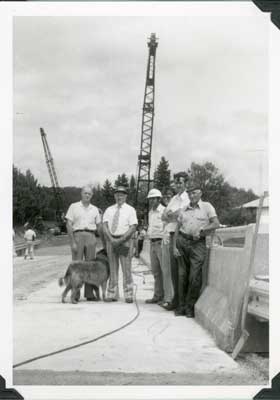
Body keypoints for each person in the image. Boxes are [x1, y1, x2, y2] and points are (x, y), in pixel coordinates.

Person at [173, 184, 220, 318]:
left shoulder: (207, 206)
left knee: (194, 276)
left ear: (200, 193)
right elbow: (177, 228)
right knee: (182, 276)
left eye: (194, 193)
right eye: (190, 193)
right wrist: (174, 247)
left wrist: (202, 231)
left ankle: (190, 307)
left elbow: (216, 223)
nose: (192, 195)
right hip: (182, 241)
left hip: (198, 244)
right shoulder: (184, 209)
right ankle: (181, 307)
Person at [65, 185, 103, 301]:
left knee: (91, 266)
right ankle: (75, 294)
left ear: (92, 195)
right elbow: (69, 224)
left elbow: (99, 226)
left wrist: (102, 241)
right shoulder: (74, 206)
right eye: (85, 193)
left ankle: (89, 293)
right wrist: (72, 242)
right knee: (77, 267)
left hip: (91, 236)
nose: (87, 195)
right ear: (81, 193)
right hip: (78, 235)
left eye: (89, 194)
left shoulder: (95, 209)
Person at [102, 186, 138, 303]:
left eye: (122, 194)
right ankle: (112, 293)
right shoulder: (109, 210)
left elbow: (133, 227)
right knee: (112, 268)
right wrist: (111, 238)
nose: (119, 196)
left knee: (126, 268)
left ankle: (128, 294)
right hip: (111, 241)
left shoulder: (130, 210)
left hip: (124, 241)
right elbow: (104, 226)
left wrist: (121, 239)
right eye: (117, 194)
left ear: (126, 196)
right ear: (114, 196)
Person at [161, 173, 190, 310]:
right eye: (176, 182)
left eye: (180, 182)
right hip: (170, 235)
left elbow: (181, 215)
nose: (178, 185)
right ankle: (175, 300)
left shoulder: (187, 198)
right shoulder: (174, 198)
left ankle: (181, 302)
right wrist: (171, 215)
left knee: (181, 271)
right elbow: (163, 216)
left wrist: (171, 215)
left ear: (186, 184)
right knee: (172, 271)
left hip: (180, 235)